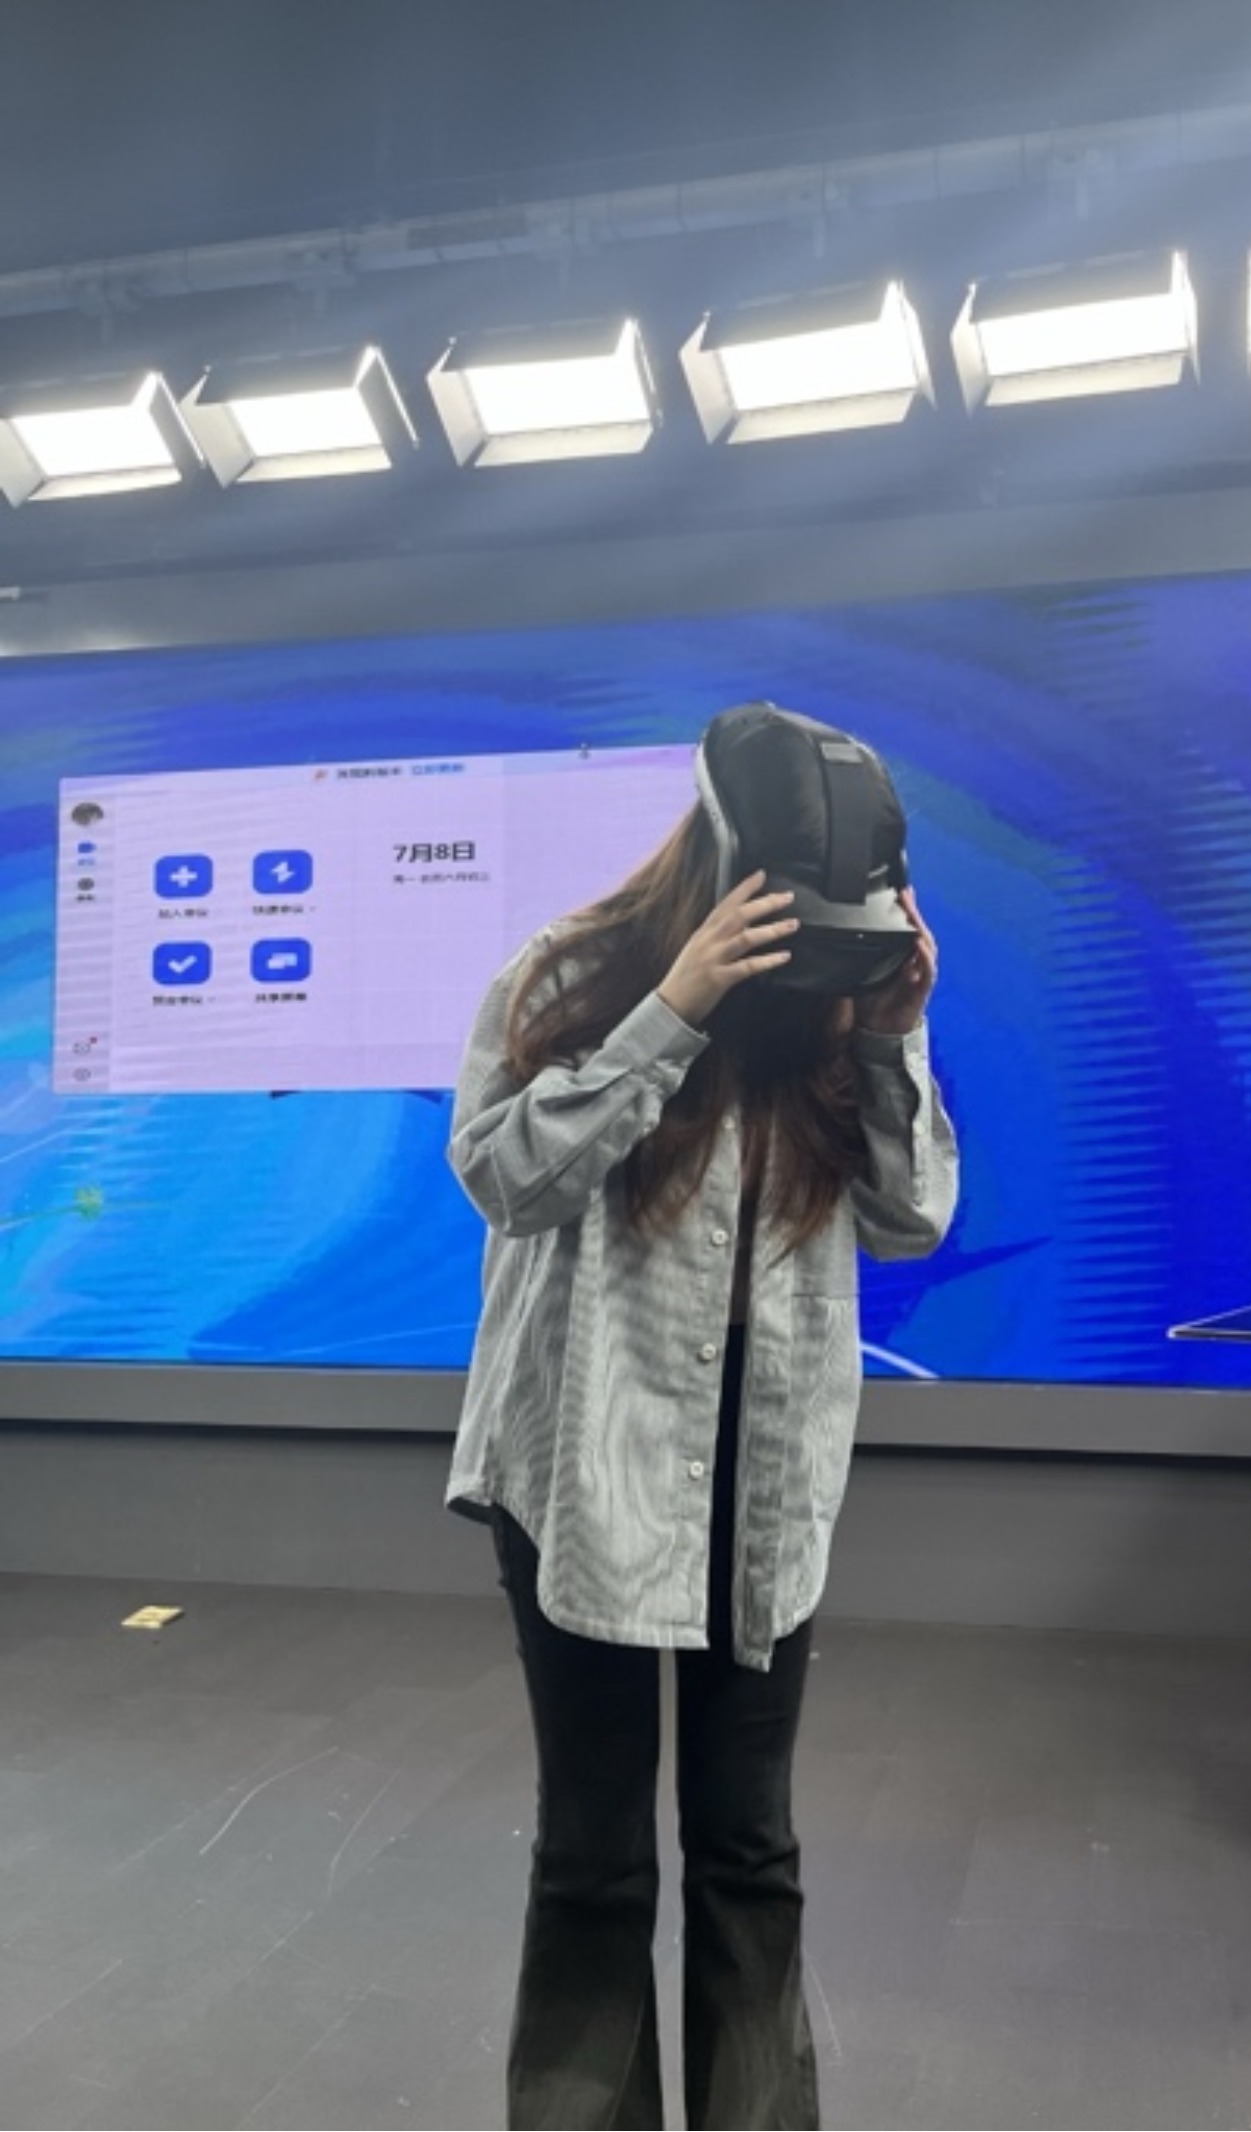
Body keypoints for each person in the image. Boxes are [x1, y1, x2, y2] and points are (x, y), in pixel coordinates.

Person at [445, 710, 958, 2132]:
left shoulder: (832, 998)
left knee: (749, 1846)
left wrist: (890, 1038)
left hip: (765, 1472)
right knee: (594, 1853)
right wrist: (670, 1011)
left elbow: (911, 1219)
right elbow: (506, 1179)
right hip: (584, 1463)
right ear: (725, 859)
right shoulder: (567, 971)